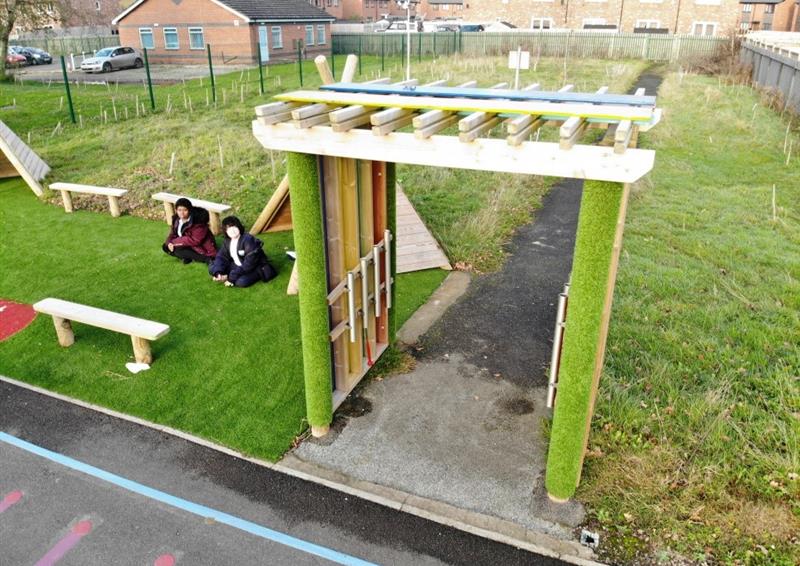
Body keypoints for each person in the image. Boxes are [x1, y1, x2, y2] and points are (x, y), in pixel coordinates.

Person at [209, 216, 276, 288]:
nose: (232, 231)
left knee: (241, 282)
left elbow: (249, 263)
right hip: (238, 265)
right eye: (229, 229)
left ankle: (255, 275)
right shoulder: (227, 241)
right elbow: (221, 256)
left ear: (239, 227)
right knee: (213, 268)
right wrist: (218, 272)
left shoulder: (248, 239)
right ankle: (222, 276)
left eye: (234, 227)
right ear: (225, 231)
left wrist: (232, 277)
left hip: (254, 267)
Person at [162, 198, 217, 264]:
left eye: (185, 210)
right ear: (176, 210)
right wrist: (169, 243)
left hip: (201, 247)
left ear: (190, 210)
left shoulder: (198, 222)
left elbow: (194, 240)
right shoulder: (176, 219)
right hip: (187, 244)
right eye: (179, 210)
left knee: (176, 250)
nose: (182, 213)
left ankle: (206, 259)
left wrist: (174, 242)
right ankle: (188, 257)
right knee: (165, 247)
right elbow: (172, 233)